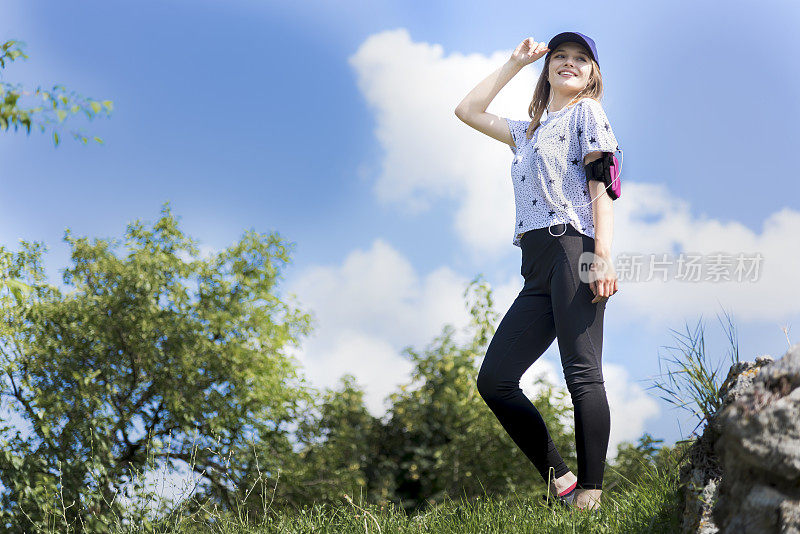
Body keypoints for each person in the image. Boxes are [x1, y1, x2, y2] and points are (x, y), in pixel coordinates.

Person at [454, 31, 621, 511]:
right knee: (495, 381)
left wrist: (601, 255)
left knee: (582, 375)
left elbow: (602, 186)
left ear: (592, 74)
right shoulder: (528, 132)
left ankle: (590, 494)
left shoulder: (587, 114)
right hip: (535, 266)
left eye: (580, 59)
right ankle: (562, 481)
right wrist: (514, 64)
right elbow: (466, 111)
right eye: (561, 57)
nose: (569, 63)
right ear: (549, 70)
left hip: (573, 249)